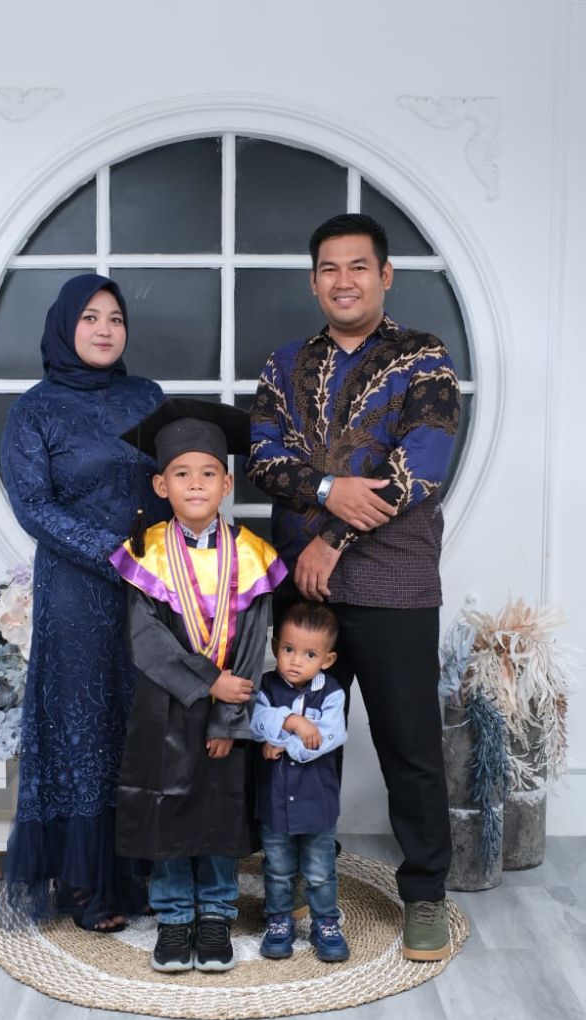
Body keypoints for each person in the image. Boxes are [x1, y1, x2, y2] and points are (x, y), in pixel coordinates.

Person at [247, 213, 461, 962]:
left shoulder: (424, 359)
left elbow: (420, 467)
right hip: (305, 594)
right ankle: (305, 872)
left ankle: (425, 893)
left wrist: (333, 534)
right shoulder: (283, 365)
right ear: (314, 282)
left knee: (410, 745)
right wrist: (327, 487)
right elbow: (262, 459)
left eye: (359, 267)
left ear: (385, 275)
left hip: (394, 583)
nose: (344, 281)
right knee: (298, 735)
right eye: (330, 269)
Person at [1, 273, 167, 932]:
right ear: (65, 326)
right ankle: (84, 883)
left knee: (140, 722)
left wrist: (175, 555)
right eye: (91, 317)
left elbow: (173, 477)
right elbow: (32, 506)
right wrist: (112, 552)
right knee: (84, 727)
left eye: (115, 318)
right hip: (76, 590)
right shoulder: (34, 409)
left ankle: (134, 873)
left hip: (152, 585)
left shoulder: (146, 396)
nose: (104, 329)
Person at [109, 398, 287, 973]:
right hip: (163, 707)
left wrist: (228, 718)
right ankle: (173, 917)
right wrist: (210, 683)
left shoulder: (253, 555)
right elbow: (145, 640)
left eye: (208, 473)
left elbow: (254, 644)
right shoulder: (145, 554)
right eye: (181, 473)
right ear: (160, 485)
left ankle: (215, 915)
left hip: (225, 713)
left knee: (218, 812)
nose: (195, 484)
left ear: (226, 483)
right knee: (167, 810)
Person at [250, 601, 349, 962]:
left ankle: (326, 923)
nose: (295, 661)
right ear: (276, 646)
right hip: (275, 801)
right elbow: (255, 723)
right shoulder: (266, 687)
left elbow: (326, 738)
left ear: (327, 659)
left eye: (309, 654)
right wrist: (292, 722)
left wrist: (285, 744)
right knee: (277, 867)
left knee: (320, 871)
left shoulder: (333, 693)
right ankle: (279, 920)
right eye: (289, 649)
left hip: (317, 802)